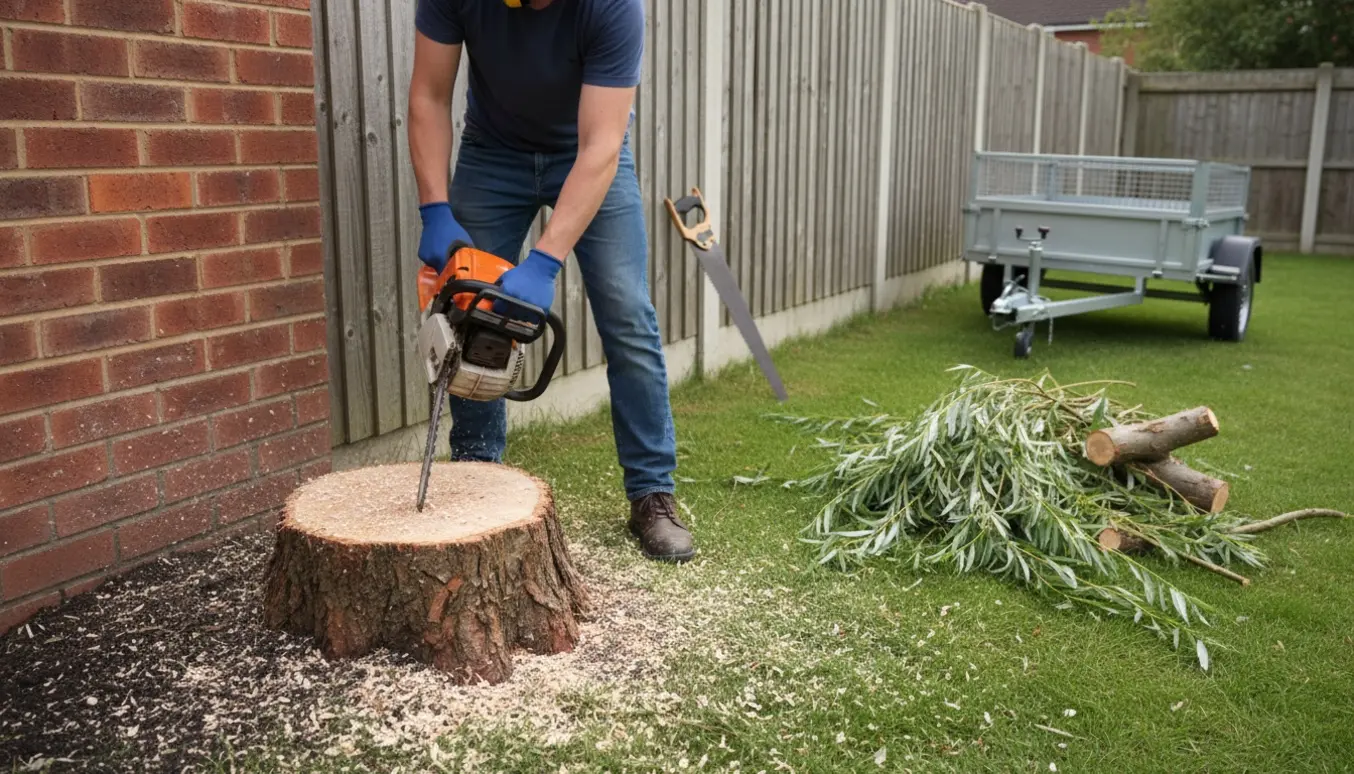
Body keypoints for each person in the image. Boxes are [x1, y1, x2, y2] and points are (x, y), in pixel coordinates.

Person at [408, 0, 694, 563]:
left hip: (583, 154)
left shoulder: (613, 7)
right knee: (467, 310)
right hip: (492, 153)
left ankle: (652, 493)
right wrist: (435, 209)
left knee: (627, 312)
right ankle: (477, 476)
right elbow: (428, 96)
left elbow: (602, 145)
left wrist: (544, 262)